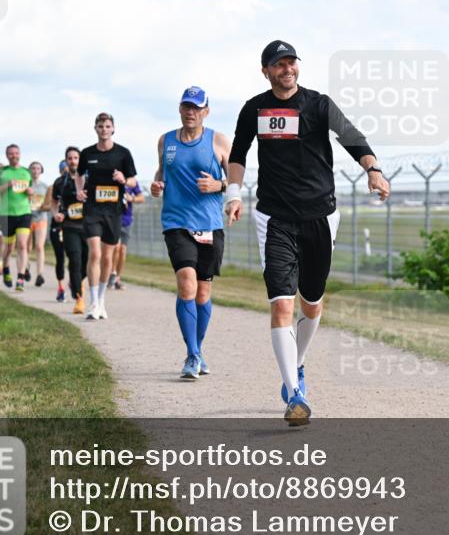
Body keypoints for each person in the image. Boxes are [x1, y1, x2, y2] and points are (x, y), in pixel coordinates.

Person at [225, 40, 390, 426]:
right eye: (278, 65)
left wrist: (373, 169)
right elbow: (238, 154)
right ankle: (294, 394)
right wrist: (232, 195)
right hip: (274, 217)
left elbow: (352, 137)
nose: (287, 70)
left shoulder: (319, 104)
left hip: (321, 215)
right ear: (265, 71)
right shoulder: (254, 109)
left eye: (291, 63)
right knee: (282, 304)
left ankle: (296, 365)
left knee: (312, 303)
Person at [151, 86, 229, 380]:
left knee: (203, 291)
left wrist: (219, 186)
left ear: (206, 111)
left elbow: (236, 181)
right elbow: (161, 174)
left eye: (196, 107)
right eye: (186, 106)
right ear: (180, 109)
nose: (191, 112)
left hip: (210, 224)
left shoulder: (219, 141)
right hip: (176, 222)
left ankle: (198, 350)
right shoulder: (165, 141)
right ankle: (192, 355)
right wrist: (157, 186)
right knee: (186, 283)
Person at [77, 112, 137, 320]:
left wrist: (122, 179)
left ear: (113, 129)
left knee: (108, 257)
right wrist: (79, 191)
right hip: (92, 210)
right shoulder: (87, 153)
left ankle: (101, 300)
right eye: (100, 126)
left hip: (113, 212)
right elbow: (78, 175)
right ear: (95, 128)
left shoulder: (123, 154)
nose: (104, 129)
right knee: (95, 254)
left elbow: (133, 182)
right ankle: (93, 301)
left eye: (107, 126)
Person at [0, 145, 33, 291]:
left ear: (20, 154)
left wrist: (30, 192)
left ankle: (20, 278)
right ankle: (6, 269)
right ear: (6, 155)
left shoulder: (26, 172)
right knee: (9, 248)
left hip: (24, 213)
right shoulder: (1, 173)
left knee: (22, 245)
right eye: (11, 154)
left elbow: (30, 191)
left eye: (16, 153)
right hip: (6, 214)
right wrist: (7, 185)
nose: (14, 156)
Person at [54, 147, 89, 314]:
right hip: (69, 227)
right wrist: (56, 214)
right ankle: (79, 298)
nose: (73, 161)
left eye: (76, 158)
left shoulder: (89, 179)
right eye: (70, 158)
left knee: (88, 262)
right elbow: (54, 202)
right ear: (66, 161)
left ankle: (76, 282)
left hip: (89, 226)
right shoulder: (61, 182)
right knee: (74, 260)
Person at [109, 181, 144, 290]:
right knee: (116, 247)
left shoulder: (131, 182)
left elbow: (141, 198)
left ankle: (117, 279)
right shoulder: (112, 178)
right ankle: (112, 273)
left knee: (123, 250)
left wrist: (132, 199)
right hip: (113, 219)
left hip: (126, 221)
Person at [46, 160, 69, 302]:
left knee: (76, 257)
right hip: (57, 225)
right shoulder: (56, 185)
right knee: (60, 258)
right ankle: (61, 288)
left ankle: (75, 280)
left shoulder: (80, 184)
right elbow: (49, 204)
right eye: (63, 169)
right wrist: (56, 211)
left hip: (73, 225)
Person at [26, 161, 49, 286]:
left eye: (38, 168)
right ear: (29, 171)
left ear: (41, 171)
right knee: (27, 247)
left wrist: (43, 207)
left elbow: (49, 204)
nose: (35, 171)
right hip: (27, 219)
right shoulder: (25, 185)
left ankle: (40, 274)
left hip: (41, 218)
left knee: (40, 247)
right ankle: (26, 266)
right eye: (33, 168)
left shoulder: (45, 187)